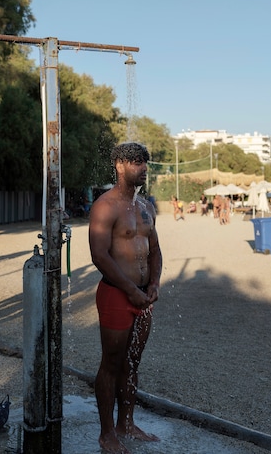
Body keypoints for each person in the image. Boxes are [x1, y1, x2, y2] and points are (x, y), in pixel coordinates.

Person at [89, 142, 162, 454]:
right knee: (112, 363)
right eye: (136, 163)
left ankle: (126, 423)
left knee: (133, 362)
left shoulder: (145, 206)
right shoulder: (105, 206)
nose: (143, 168)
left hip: (142, 298)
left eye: (145, 162)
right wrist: (131, 290)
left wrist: (155, 283)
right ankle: (107, 434)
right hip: (117, 295)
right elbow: (99, 255)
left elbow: (155, 249)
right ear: (119, 165)